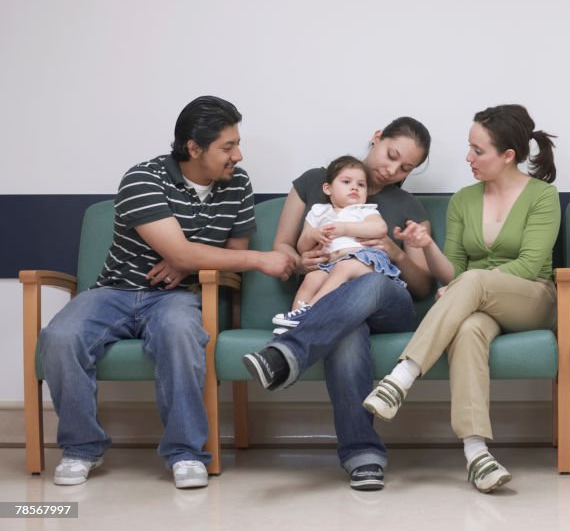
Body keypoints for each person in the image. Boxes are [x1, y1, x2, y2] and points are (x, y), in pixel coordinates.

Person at [37, 96, 295, 489]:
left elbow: (232, 256)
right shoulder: (143, 178)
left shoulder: (237, 184)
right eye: (227, 147)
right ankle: (81, 448)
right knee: (59, 337)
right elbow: (212, 255)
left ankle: (186, 453)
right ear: (194, 148)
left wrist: (185, 260)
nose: (238, 156)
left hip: (179, 296)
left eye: (237, 144)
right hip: (115, 290)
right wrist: (202, 255)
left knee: (180, 333)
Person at [362, 104, 559, 494]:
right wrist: (427, 245)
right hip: (476, 303)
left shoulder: (542, 196)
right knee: (467, 329)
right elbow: (451, 271)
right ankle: (476, 453)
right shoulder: (464, 200)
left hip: (532, 298)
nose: (468, 157)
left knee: (472, 283)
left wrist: (467, 284)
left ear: (507, 156)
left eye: (478, 151)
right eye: (469, 147)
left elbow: (529, 265)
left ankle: (401, 378)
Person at [242, 116, 434, 491]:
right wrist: (301, 261)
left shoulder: (407, 204)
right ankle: (364, 456)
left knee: (371, 278)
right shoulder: (317, 181)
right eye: (391, 155)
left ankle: (286, 354)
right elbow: (283, 244)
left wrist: (395, 253)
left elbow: (423, 285)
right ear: (377, 137)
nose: (391, 170)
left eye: (405, 168)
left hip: (388, 303)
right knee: (347, 331)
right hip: (333, 303)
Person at [271, 156, 403, 333]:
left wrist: (344, 228)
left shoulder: (364, 210)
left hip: (364, 263)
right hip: (329, 266)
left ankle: (311, 311)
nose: (354, 187)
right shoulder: (319, 212)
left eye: (361, 185)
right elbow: (303, 247)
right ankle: (295, 325)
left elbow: (379, 228)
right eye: (346, 182)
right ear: (328, 188)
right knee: (312, 278)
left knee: (344, 267)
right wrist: (313, 234)